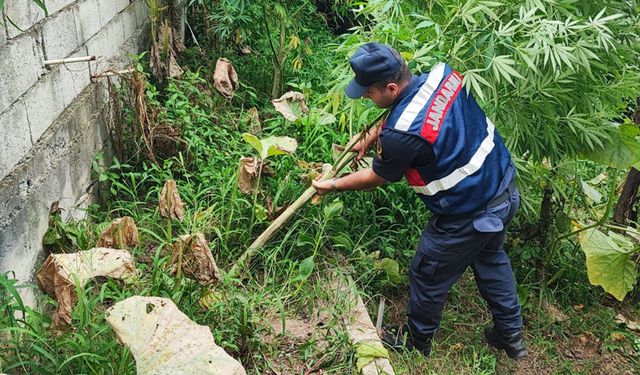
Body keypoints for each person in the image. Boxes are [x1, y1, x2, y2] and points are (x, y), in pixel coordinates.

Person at [312, 42, 527, 359]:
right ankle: (512, 339)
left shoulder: (399, 135)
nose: (367, 99)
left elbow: (376, 178)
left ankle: (416, 343)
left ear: (391, 87)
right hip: (503, 188)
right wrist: (375, 136)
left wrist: (331, 184)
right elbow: (420, 112)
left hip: (468, 216)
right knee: (491, 260)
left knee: (427, 273)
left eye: (369, 93)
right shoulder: (443, 74)